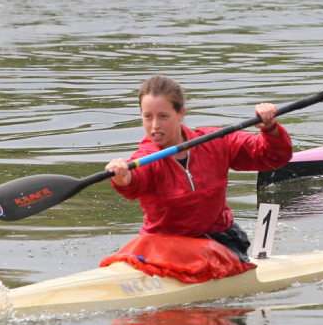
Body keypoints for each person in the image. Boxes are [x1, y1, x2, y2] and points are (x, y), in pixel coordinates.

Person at [106, 76, 292, 262]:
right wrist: (122, 177)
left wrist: (269, 127)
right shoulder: (145, 158)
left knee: (201, 252)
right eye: (148, 116)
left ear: (180, 114)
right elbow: (135, 181)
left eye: (163, 116)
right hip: (162, 246)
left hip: (219, 242)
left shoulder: (214, 141)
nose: (155, 126)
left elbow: (272, 156)